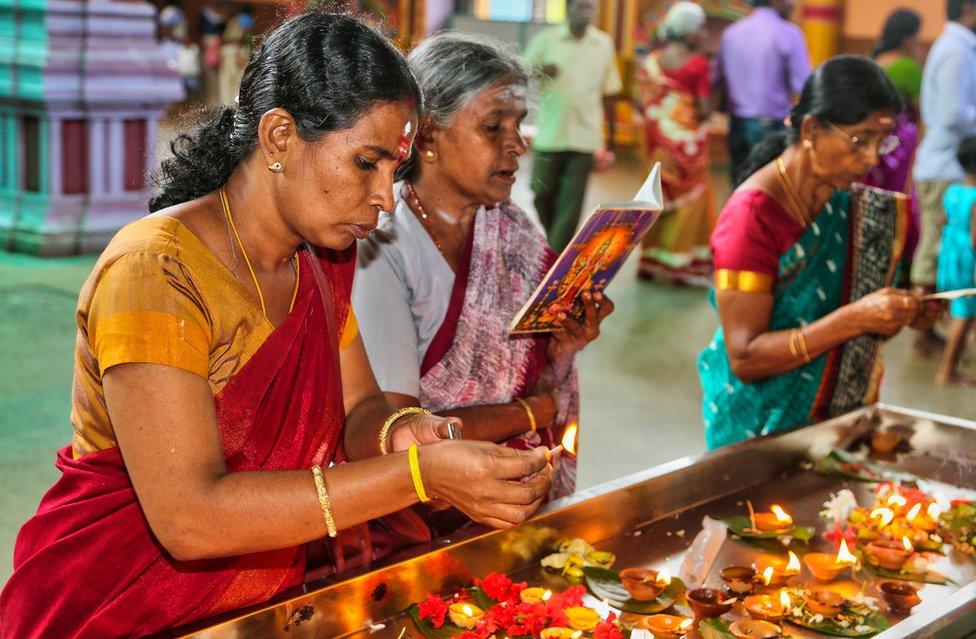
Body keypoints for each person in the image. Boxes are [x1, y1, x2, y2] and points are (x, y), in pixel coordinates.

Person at [0, 13, 552, 639]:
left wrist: (415, 434)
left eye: (393, 172)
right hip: (117, 604)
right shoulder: (156, 270)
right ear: (280, 135)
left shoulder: (319, 261)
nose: (385, 198)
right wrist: (420, 476)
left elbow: (362, 407)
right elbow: (190, 519)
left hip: (256, 604)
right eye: (366, 162)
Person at [354, 32, 612, 511]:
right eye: (494, 128)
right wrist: (531, 412)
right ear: (427, 135)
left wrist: (564, 344)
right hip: (417, 514)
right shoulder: (385, 244)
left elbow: (535, 363)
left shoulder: (513, 232)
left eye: (519, 125)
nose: (516, 145)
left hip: (515, 490)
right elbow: (397, 430)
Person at [698, 56, 944, 450]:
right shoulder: (752, 217)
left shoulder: (848, 204)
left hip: (838, 424)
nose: (872, 159)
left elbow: (860, 320)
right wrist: (854, 318)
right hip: (761, 427)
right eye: (859, 140)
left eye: (882, 141)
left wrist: (898, 312)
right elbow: (745, 358)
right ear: (811, 129)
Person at [524, 0, 623, 252]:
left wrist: (612, 136)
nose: (587, 12)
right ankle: (555, 244)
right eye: (581, 6)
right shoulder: (547, 40)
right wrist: (540, 69)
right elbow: (519, 71)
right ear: (568, 9)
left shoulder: (602, 44)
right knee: (540, 193)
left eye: (591, 7)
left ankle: (556, 259)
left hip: (584, 136)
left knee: (570, 206)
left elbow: (610, 91)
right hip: (550, 134)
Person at [636, 1, 717, 286]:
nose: (705, 34)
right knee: (690, 201)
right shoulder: (698, 65)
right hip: (688, 145)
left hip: (657, 143)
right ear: (690, 34)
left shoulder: (651, 62)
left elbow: (641, 102)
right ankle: (680, 264)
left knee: (657, 196)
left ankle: (651, 260)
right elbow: (705, 109)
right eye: (701, 28)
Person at [911, 0, 976, 306]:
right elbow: (953, 115)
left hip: (947, 164)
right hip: (943, 166)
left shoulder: (959, 47)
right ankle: (921, 325)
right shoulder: (956, 51)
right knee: (934, 248)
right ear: (968, 9)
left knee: (943, 248)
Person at [714, 0, 811, 186]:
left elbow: (715, 78)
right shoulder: (789, 33)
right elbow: (803, 85)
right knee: (767, 189)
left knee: (740, 185)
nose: (794, 4)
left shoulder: (731, 33)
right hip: (771, 126)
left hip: (736, 123)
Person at [867, 9, 924, 283]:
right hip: (899, 151)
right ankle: (896, 273)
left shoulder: (873, 61)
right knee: (900, 207)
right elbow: (922, 113)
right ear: (907, 37)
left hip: (876, 148)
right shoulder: (908, 68)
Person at [935, 136, 976, 385]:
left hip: (949, 255)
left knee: (959, 308)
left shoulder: (953, 190)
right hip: (966, 261)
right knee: (964, 314)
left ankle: (952, 362)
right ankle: (947, 370)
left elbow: (943, 220)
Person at [219, 5, 255, 105]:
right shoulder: (237, 21)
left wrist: (239, 54)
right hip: (235, 54)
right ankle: (233, 105)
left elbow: (241, 38)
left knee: (232, 82)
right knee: (235, 82)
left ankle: (231, 105)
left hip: (235, 54)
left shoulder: (240, 20)